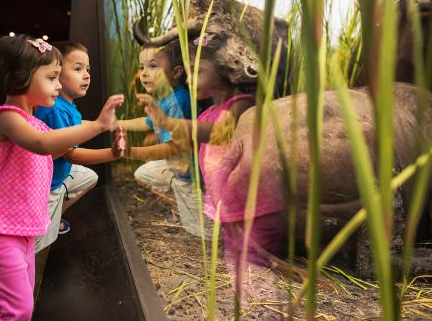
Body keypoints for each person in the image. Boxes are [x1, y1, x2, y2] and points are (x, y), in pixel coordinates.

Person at [0, 34, 124, 320]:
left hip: (24, 229)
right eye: (52, 77)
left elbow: (57, 144)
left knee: (22, 307)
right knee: (16, 310)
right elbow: (44, 144)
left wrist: (110, 147)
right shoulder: (7, 118)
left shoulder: (36, 123)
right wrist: (100, 125)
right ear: (21, 78)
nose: (58, 85)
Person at [137, 36, 285, 266]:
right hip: (214, 192)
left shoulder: (242, 104)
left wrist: (167, 122)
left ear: (226, 71)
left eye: (197, 71)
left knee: (222, 239)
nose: (189, 78)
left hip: (240, 199)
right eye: (188, 72)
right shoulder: (210, 109)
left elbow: (219, 132)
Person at [34, 42, 125, 252]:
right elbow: (71, 155)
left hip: (57, 174)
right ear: (56, 74)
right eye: (77, 69)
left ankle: (55, 218)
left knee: (89, 177)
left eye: (87, 69)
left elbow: (75, 127)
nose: (86, 75)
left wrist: (100, 127)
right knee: (37, 246)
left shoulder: (66, 105)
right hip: (46, 186)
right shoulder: (55, 110)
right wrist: (111, 154)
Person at [118, 42, 206, 237]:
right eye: (141, 67)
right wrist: (117, 123)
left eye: (153, 66)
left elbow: (171, 149)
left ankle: (197, 207)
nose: (144, 73)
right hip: (177, 168)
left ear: (175, 73)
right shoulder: (164, 96)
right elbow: (148, 122)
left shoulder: (178, 101)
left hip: (191, 177)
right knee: (144, 173)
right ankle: (178, 198)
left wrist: (131, 152)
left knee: (200, 234)